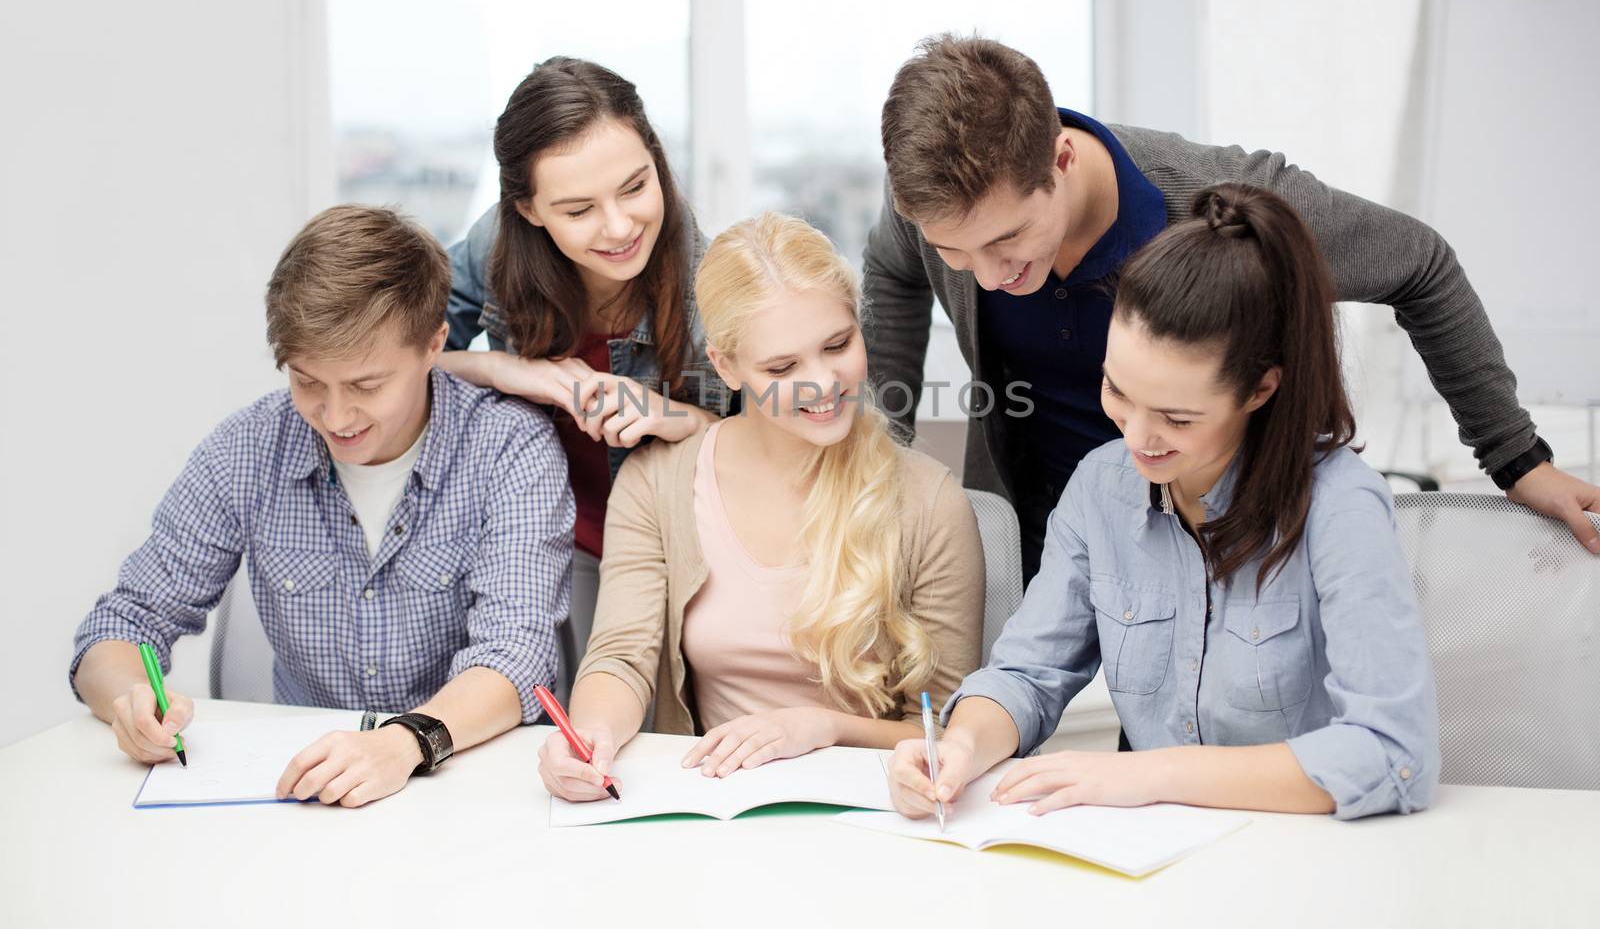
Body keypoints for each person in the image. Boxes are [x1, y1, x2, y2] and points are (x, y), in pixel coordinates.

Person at [865, 34, 1600, 581]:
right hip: (1043, 550)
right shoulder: (939, 213)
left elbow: (1421, 264)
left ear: (1060, 159)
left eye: (1010, 240)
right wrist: (887, 455)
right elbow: (894, 268)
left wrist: (1514, 457)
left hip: (1226, 564)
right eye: (957, 255)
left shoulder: (1224, 200)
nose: (988, 277)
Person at [887, 184, 1439, 822]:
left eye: (1177, 417)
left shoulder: (1340, 509)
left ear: (1261, 389)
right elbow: (1026, 675)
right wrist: (958, 746)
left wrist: (1150, 775)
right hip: (1154, 861)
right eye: (1116, 390)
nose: (1136, 438)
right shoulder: (1102, 486)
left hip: (1299, 856)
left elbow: (1394, 754)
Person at [70, 205, 574, 807]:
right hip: (310, 798)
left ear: (435, 344)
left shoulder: (510, 450)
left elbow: (515, 654)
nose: (335, 418)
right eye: (308, 382)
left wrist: (403, 742)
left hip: (472, 787)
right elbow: (121, 625)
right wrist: (130, 696)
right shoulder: (250, 448)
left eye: (366, 386)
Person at [538, 213, 985, 801]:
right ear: (726, 366)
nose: (822, 383)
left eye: (838, 345)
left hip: (876, 815)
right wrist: (590, 732)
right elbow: (621, 656)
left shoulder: (927, 502)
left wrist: (821, 729)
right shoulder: (658, 484)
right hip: (717, 812)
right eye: (782, 368)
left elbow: (945, 727)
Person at [442, 57, 732, 665]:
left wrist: (675, 418)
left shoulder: (719, 287)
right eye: (578, 211)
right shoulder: (496, 248)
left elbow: (787, 456)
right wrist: (510, 371)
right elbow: (395, 358)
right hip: (536, 551)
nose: (620, 225)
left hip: (684, 558)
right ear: (527, 210)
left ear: (657, 159)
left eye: (636, 186)